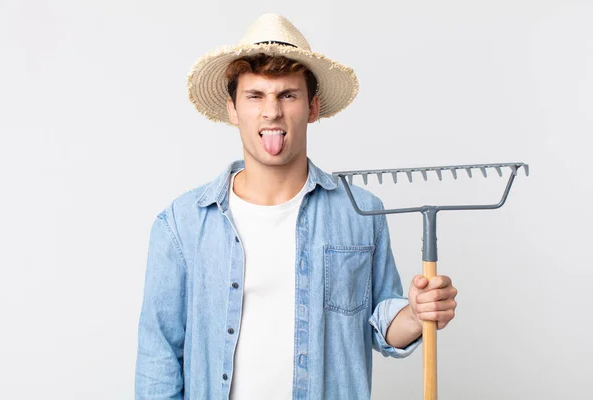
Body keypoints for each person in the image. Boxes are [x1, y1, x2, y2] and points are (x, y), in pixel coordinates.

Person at [135, 13, 458, 400]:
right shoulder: (182, 224)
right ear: (233, 110)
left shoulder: (360, 212)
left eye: (288, 95)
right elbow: (158, 357)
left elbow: (382, 325)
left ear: (313, 107)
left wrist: (417, 313)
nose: (271, 111)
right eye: (255, 96)